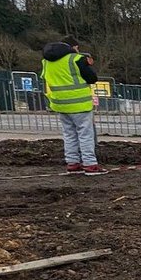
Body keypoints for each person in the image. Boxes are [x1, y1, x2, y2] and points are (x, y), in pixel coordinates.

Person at [40, 35, 107, 175]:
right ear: (73, 47)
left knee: (69, 134)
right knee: (85, 134)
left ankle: (73, 163)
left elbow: (46, 78)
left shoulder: (46, 61)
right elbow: (92, 78)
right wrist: (87, 65)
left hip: (59, 103)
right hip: (79, 103)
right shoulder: (76, 59)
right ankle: (90, 164)